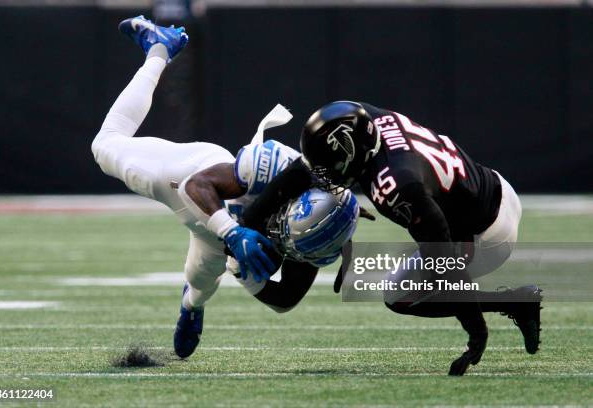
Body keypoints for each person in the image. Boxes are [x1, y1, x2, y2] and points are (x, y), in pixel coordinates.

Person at [91, 17, 359, 359]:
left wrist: (243, 274)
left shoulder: (319, 238)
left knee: (202, 281)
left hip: (222, 236)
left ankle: (190, 305)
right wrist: (233, 234)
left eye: (297, 248)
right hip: (201, 184)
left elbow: (285, 299)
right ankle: (160, 48)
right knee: (104, 147)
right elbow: (195, 186)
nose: (287, 245)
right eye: (292, 237)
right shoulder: (276, 168)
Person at [241, 101, 542, 375]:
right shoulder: (363, 119)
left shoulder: (394, 183)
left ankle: (516, 302)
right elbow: (300, 173)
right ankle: (517, 303)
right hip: (488, 185)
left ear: (350, 151)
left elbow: (442, 252)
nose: (324, 175)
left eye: (327, 166)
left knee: (398, 295)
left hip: (487, 233)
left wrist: (476, 330)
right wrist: (247, 223)